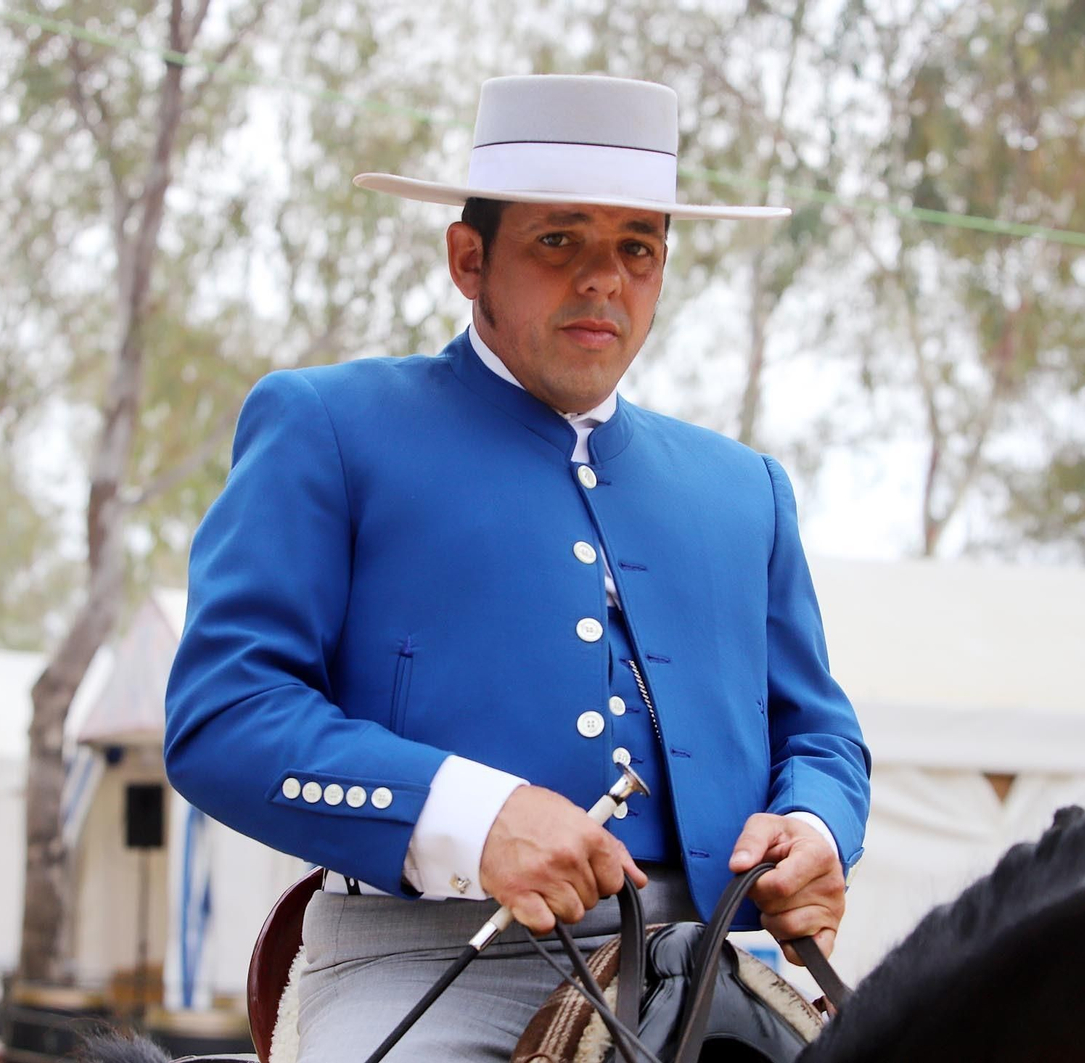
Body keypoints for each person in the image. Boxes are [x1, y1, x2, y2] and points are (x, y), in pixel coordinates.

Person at [165, 73, 871, 1061]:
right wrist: (472, 814)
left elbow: (820, 732)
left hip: (699, 966)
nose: (603, 278)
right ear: (467, 257)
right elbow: (222, 715)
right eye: (558, 241)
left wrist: (816, 827)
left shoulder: (743, 487)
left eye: (637, 248)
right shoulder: (328, 427)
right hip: (422, 966)